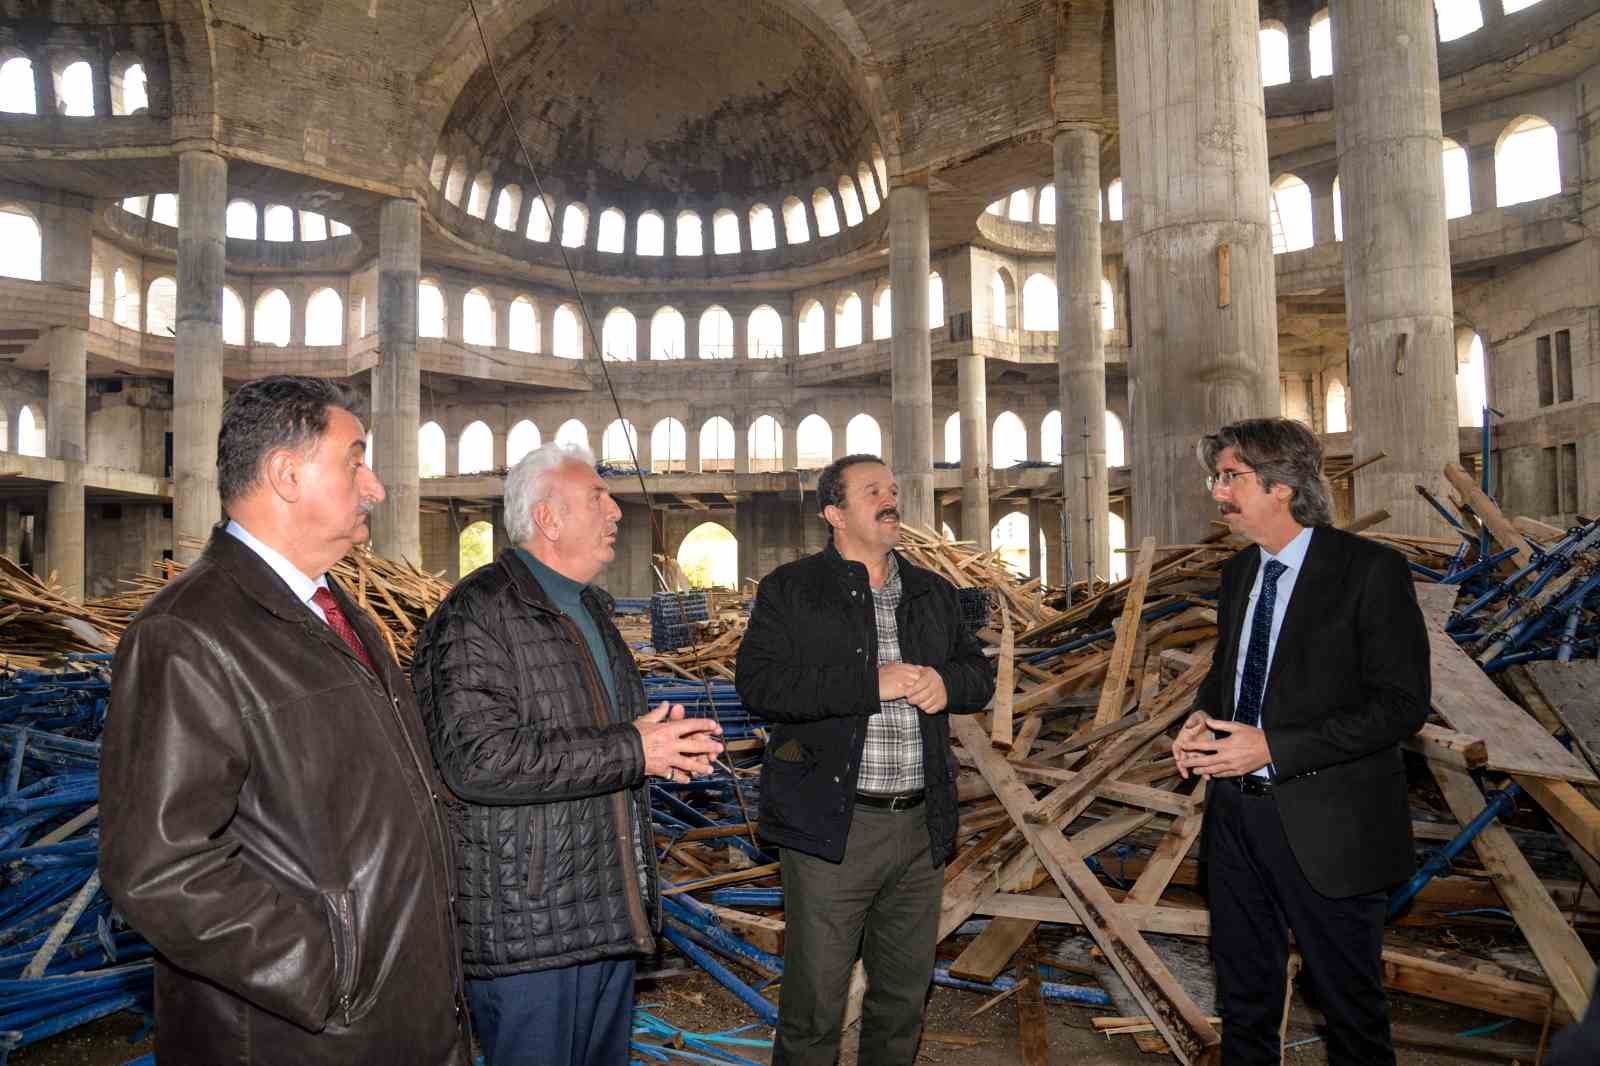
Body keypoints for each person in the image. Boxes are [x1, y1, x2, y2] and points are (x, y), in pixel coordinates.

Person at [99, 376, 470, 1066]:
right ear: (286, 473)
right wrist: (329, 970)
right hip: (297, 1036)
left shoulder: (340, 614)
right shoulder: (187, 633)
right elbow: (158, 865)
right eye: (355, 459)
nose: (376, 486)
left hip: (398, 1017)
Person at [412, 442, 724, 1066]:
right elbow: (478, 760)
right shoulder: (480, 613)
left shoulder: (590, 607)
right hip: (529, 928)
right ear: (549, 519)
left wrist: (661, 750)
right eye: (597, 498)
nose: (616, 510)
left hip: (604, 911)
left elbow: (601, 742)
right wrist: (635, 748)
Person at [1172, 418, 1430, 1065]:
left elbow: (1402, 706)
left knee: (1350, 1012)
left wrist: (1274, 746)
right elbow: (1231, 680)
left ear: (1281, 486)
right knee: (1245, 1002)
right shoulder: (1238, 577)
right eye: (1217, 477)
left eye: (1231, 477)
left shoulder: (1369, 570)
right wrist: (1202, 720)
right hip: (1236, 823)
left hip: (1330, 827)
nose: (1217, 491)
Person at [735, 454, 995, 1066]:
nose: (890, 499)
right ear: (834, 513)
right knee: (814, 1006)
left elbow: (979, 674)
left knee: (903, 1000)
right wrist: (867, 684)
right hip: (832, 829)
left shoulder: (933, 592)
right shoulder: (793, 590)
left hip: (919, 828)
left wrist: (946, 682)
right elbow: (761, 686)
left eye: (894, 489)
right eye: (873, 490)